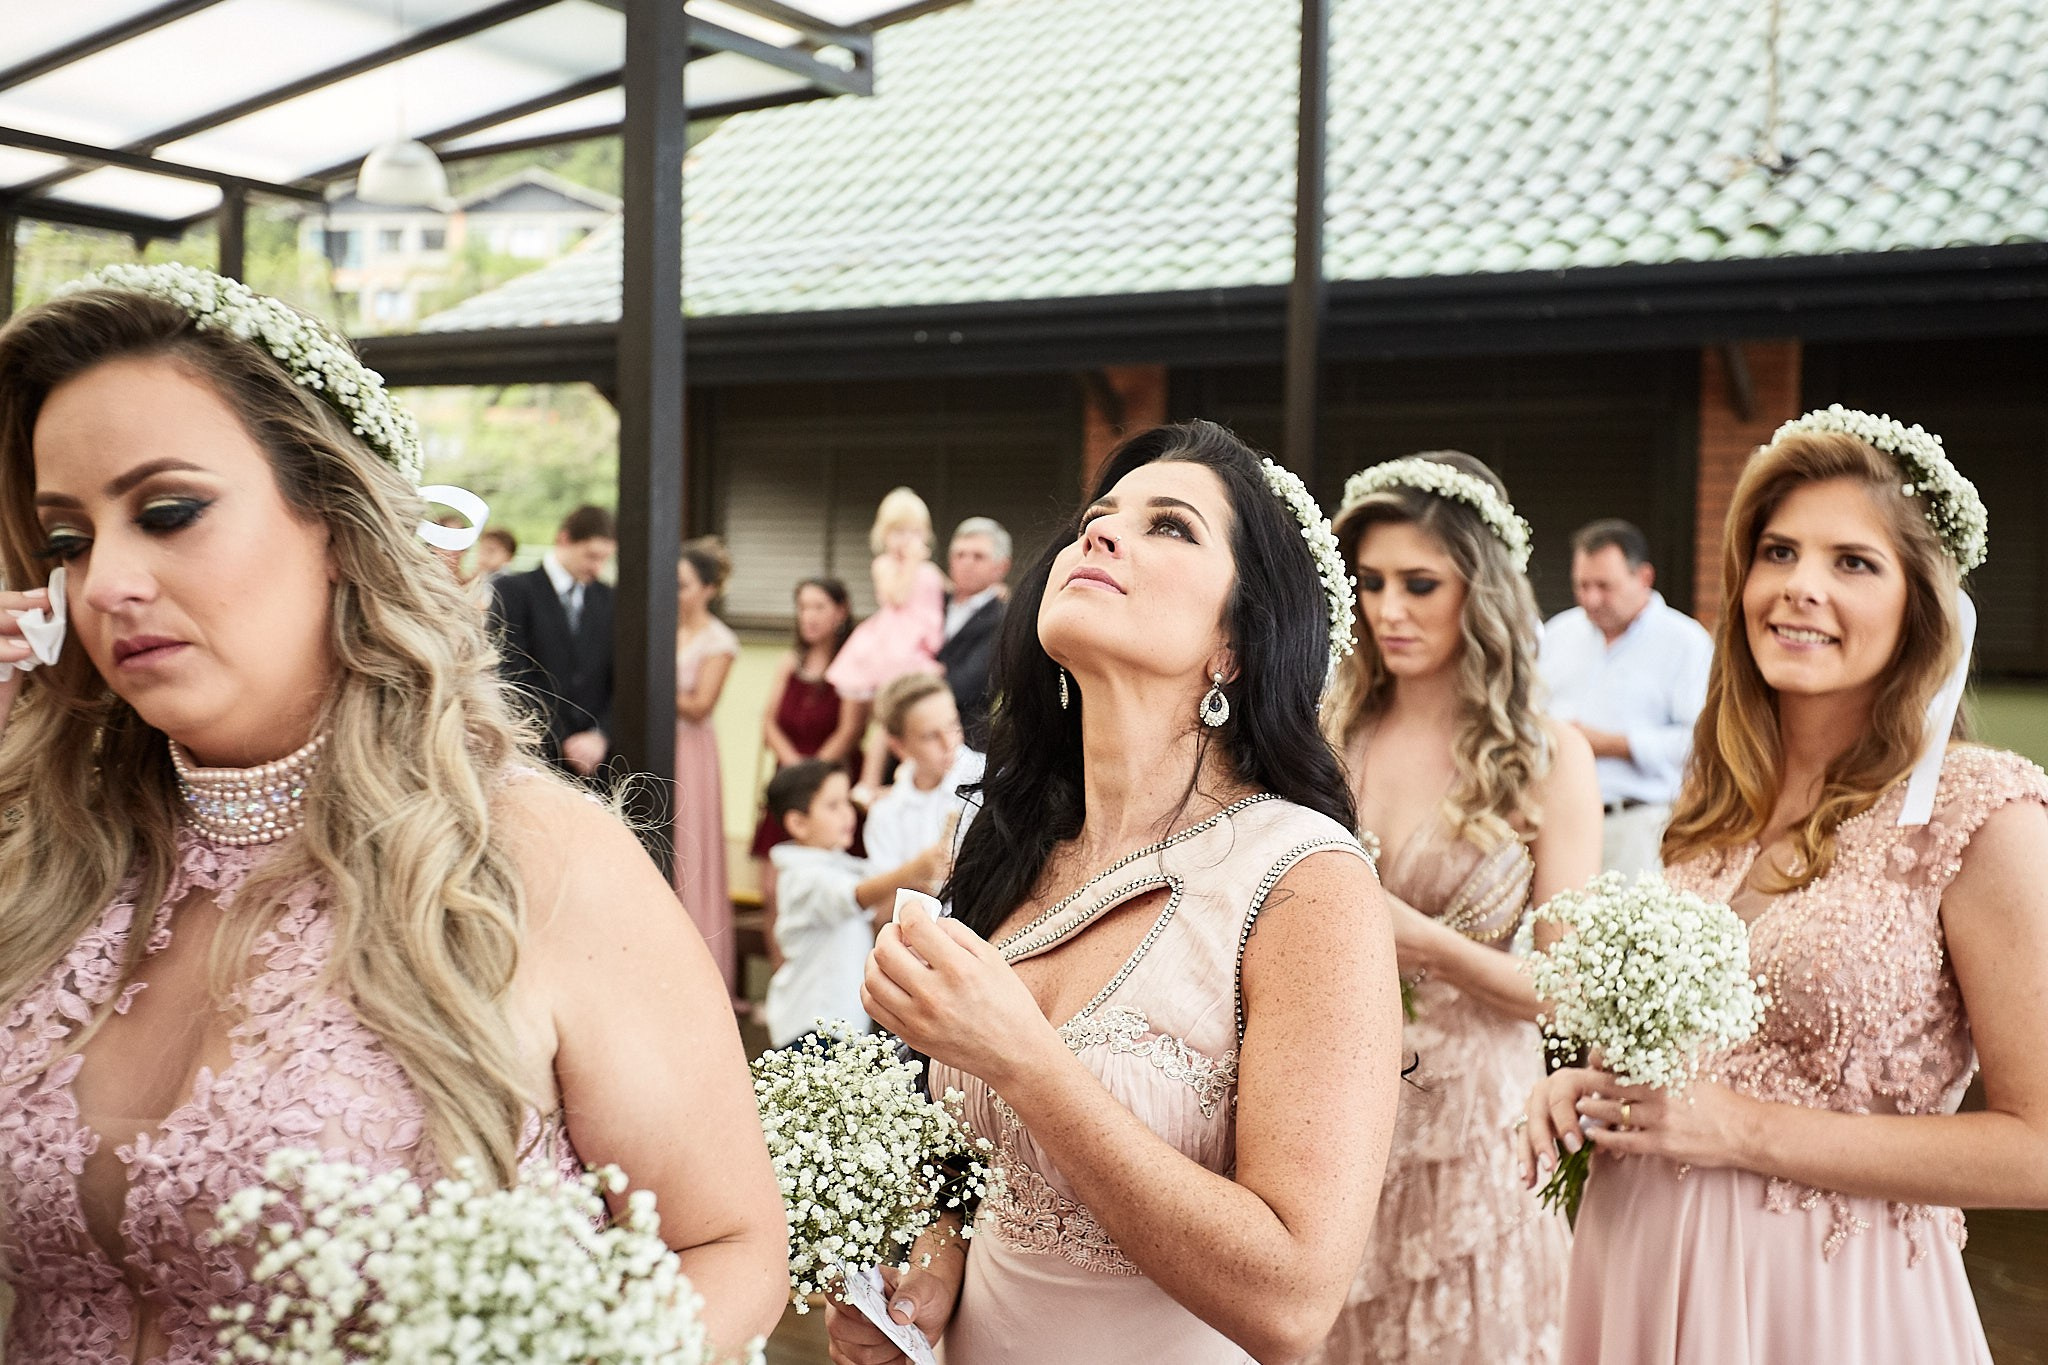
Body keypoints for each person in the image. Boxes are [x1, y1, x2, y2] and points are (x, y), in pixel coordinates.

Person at [0, 265, 787, 1363]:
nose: (107, 584)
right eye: (70, 540)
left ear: (334, 517)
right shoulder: (40, 862)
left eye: (168, 513)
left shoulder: (540, 861)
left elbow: (731, 1242)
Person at [827, 421, 1402, 1365]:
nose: (1096, 534)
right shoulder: (1009, 849)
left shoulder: (1304, 881)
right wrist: (932, 1275)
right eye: (1098, 517)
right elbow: (983, 1166)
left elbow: (1295, 1301)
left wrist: (1022, 1057)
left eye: (1170, 526)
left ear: (1237, 641)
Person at [1517, 409, 2048, 1365]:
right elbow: (1699, 1065)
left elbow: (2040, 1146)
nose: (1801, 586)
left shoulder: (1981, 813)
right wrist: (1589, 1085)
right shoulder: (1714, 802)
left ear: (1922, 604)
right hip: (1638, 1261)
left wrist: (1746, 1131)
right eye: (1779, 551)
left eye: (1853, 561)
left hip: (1825, 1304)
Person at [1307, 452, 1601, 1365]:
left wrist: (1417, 940)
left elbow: (1565, 991)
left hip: (1479, 1131)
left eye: (1420, 584)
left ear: (1481, 592)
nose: (1389, 609)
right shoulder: (1326, 734)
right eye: (1372, 583)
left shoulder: (1547, 758)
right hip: (1327, 1107)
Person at [1539, 519, 1713, 874]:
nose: (1591, 599)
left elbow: (1702, 743)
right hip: (1554, 823)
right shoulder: (1559, 634)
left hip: (1636, 826)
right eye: (1582, 586)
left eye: (1604, 586)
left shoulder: (1685, 643)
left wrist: (1615, 744)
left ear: (1643, 578)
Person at [761, 760, 951, 1048]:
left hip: (838, 1023)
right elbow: (854, 895)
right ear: (798, 823)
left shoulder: (841, 863)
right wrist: (915, 868)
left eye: (847, 802)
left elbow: (877, 888)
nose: (847, 813)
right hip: (811, 1025)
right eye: (833, 805)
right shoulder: (800, 878)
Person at [749, 576, 863, 969]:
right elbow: (768, 722)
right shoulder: (788, 663)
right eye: (803, 607)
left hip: (830, 785)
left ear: (840, 611)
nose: (809, 616)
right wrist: (794, 768)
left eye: (819, 607)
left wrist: (814, 774)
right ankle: (783, 979)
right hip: (787, 786)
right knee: (771, 890)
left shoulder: (853, 664)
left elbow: (850, 730)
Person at [824, 487, 946, 801]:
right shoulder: (885, 566)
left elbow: (947, 593)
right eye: (899, 532)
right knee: (887, 716)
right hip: (895, 647)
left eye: (915, 532)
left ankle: (916, 778)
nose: (907, 539)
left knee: (916, 716)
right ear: (883, 534)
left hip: (922, 646)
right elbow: (896, 595)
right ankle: (868, 781)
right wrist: (910, 564)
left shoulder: (930, 570)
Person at [489, 504, 616, 778]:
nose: (597, 568)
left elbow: (620, 678)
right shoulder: (513, 591)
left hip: (596, 764)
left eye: (605, 559)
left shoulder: (609, 599)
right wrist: (562, 740)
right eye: (591, 556)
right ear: (564, 539)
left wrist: (599, 735)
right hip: (535, 753)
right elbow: (511, 672)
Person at [673, 537, 741, 998]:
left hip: (692, 749)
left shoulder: (720, 640)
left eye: (683, 585)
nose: (675, 593)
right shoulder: (663, 629)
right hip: (661, 739)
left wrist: (654, 679)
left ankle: (702, 969)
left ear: (707, 589)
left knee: (691, 844)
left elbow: (700, 705)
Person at [861, 672, 985, 873]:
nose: (949, 743)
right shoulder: (886, 813)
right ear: (899, 746)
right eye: (930, 736)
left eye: (953, 724)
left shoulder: (991, 779)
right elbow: (883, 902)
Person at [935, 517, 1011, 747]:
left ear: (1002, 566)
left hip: (964, 742)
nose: (966, 562)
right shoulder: (933, 603)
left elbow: (969, 687)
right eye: (960, 555)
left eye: (978, 556)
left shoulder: (1003, 617)